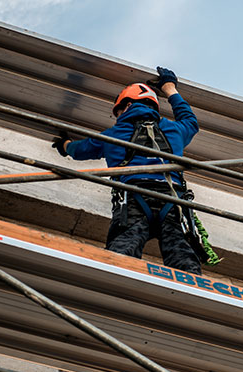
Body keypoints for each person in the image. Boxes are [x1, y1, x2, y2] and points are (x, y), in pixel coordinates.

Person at [52, 66, 203, 273]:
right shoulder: (175, 130)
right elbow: (190, 121)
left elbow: (80, 150)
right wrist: (170, 88)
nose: (117, 117)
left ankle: (114, 278)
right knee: (181, 253)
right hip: (173, 199)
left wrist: (65, 145)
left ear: (128, 105)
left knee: (124, 249)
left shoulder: (113, 134)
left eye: (118, 112)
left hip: (133, 197)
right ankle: (191, 285)